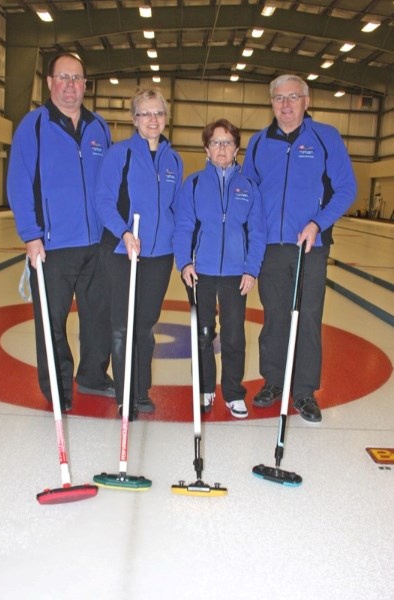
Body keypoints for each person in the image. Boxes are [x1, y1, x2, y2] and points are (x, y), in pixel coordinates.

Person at [243, 74, 357, 422]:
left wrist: (317, 223)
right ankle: (274, 381)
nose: (286, 104)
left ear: (306, 102)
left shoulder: (326, 138)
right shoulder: (259, 143)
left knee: (307, 319)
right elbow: (247, 191)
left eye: (294, 97)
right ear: (271, 103)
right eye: (279, 98)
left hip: (310, 246)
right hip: (271, 248)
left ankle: (305, 391)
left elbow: (346, 189)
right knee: (274, 318)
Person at [7, 52, 114, 412]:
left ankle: (94, 376)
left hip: (97, 244)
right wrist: (31, 235)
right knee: (51, 322)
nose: (71, 85)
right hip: (52, 245)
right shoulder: (33, 126)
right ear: (50, 83)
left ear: (86, 84)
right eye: (63, 78)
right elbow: (19, 183)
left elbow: (110, 186)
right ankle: (58, 385)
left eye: (77, 78)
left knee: (99, 317)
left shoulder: (99, 127)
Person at [95, 87, 183, 420]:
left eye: (158, 113)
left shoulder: (174, 159)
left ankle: (140, 390)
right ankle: (123, 394)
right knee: (122, 326)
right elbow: (103, 199)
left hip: (159, 256)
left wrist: (182, 252)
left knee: (145, 326)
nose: (152, 119)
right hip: (123, 252)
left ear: (165, 117)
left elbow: (176, 208)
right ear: (134, 119)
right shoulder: (120, 154)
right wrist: (124, 232)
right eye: (145, 113)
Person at [173, 119, 266, 419]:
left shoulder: (249, 187)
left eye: (228, 142)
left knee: (234, 336)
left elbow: (258, 231)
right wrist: (184, 262)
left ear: (237, 148)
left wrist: (251, 269)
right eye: (216, 142)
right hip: (202, 272)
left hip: (236, 275)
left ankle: (234, 392)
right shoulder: (194, 184)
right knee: (202, 334)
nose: (222, 148)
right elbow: (184, 226)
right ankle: (204, 388)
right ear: (206, 148)